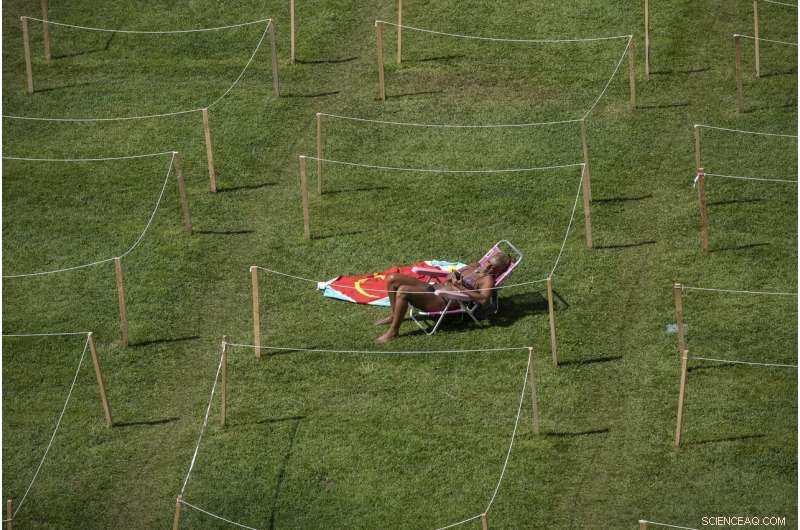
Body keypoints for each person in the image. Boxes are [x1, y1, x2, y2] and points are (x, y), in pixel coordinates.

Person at [375, 251, 512, 343]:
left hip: (442, 298)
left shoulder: (488, 280)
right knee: (392, 278)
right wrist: (452, 276)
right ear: (487, 260)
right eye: (489, 264)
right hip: (435, 287)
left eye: (495, 268)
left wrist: (461, 287)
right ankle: (394, 315)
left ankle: (393, 332)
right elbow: (449, 275)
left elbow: (484, 300)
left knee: (404, 291)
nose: (489, 268)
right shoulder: (475, 265)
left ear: (500, 271)